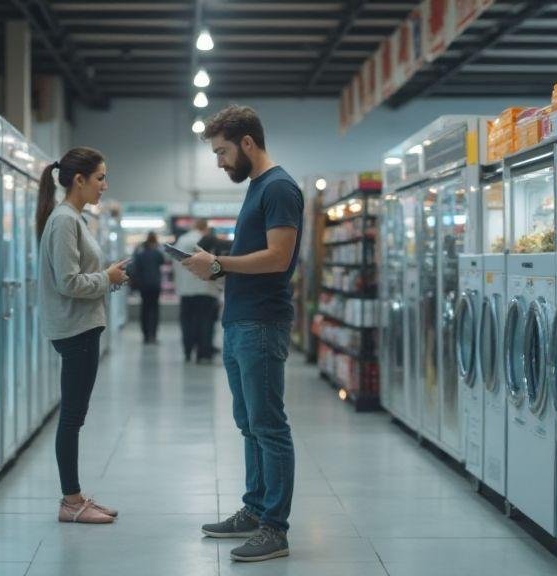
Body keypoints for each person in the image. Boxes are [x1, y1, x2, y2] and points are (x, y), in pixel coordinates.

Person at [183, 105, 303, 563]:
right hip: (239, 320)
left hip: (261, 322)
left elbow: (277, 257)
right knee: (249, 424)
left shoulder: (280, 188)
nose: (219, 161)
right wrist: (212, 264)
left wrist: (217, 263)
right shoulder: (258, 188)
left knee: (269, 426)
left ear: (247, 143)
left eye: (222, 152)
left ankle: (275, 527)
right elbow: (256, 253)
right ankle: (255, 510)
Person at [37, 147, 130, 524]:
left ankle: (75, 496)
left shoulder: (73, 218)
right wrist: (106, 278)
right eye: (100, 178)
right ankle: (70, 502)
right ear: (79, 180)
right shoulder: (64, 221)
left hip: (82, 326)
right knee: (72, 416)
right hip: (76, 329)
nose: (105, 186)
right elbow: (68, 281)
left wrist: (107, 278)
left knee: (76, 415)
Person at [173, 219, 220, 363]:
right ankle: (203, 353)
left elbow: (176, 265)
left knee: (187, 322)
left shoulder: (181, 240)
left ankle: (187, 351)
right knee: (205, 322)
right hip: (206, 289)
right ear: (205, 228)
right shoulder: (207, 240)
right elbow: (216, 265)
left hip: (185, 290)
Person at [131, 232, 166, 344]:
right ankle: (153, 335)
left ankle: (146, 335)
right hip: (155, 285)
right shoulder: (157, 253)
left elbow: (135, 267)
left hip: (144, 285)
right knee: (154, 310)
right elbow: (163, 261)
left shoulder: (140, 254)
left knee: (145, 309)